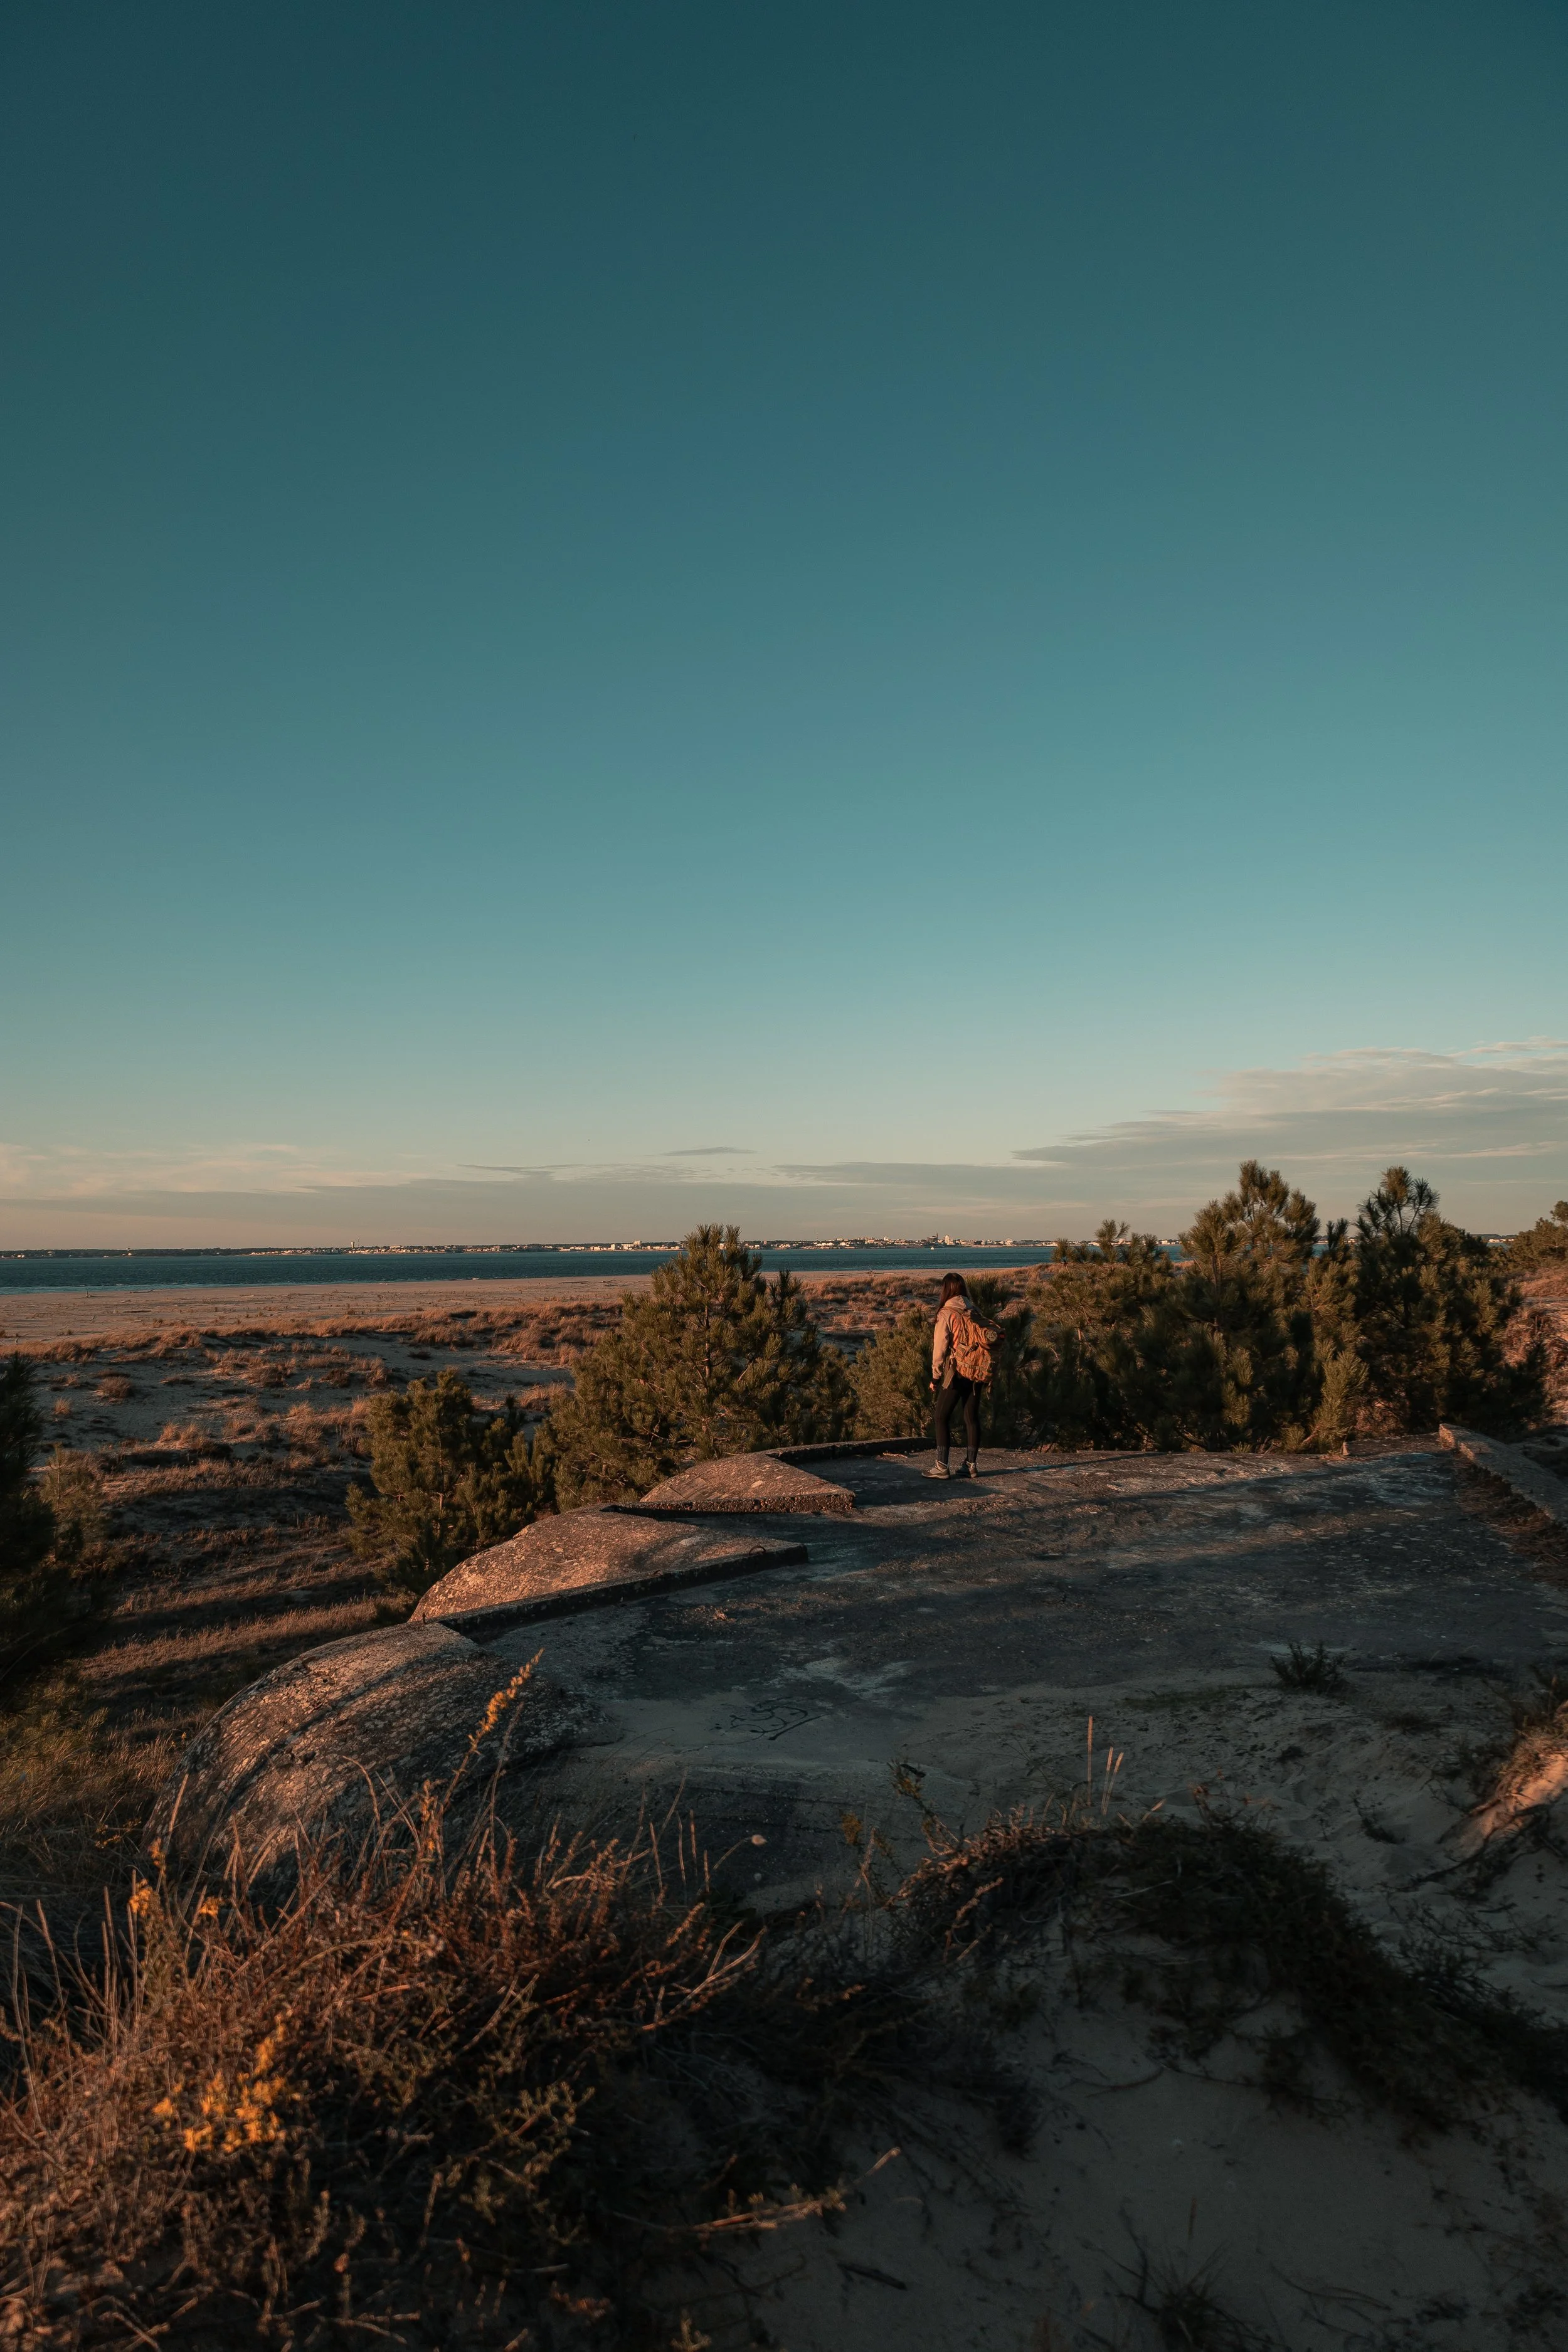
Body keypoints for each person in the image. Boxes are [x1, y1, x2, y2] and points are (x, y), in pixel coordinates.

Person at [925, 1272, 995, 1480]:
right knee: (971, 1418)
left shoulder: (946, 1313)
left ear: (946, 1290)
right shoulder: (975, 1310)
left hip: (957, 1371)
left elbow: (940, 1348)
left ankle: (941, 1466)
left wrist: (936, 1377)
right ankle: (971, 1465)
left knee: (940, 1417)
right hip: (978, 1371)